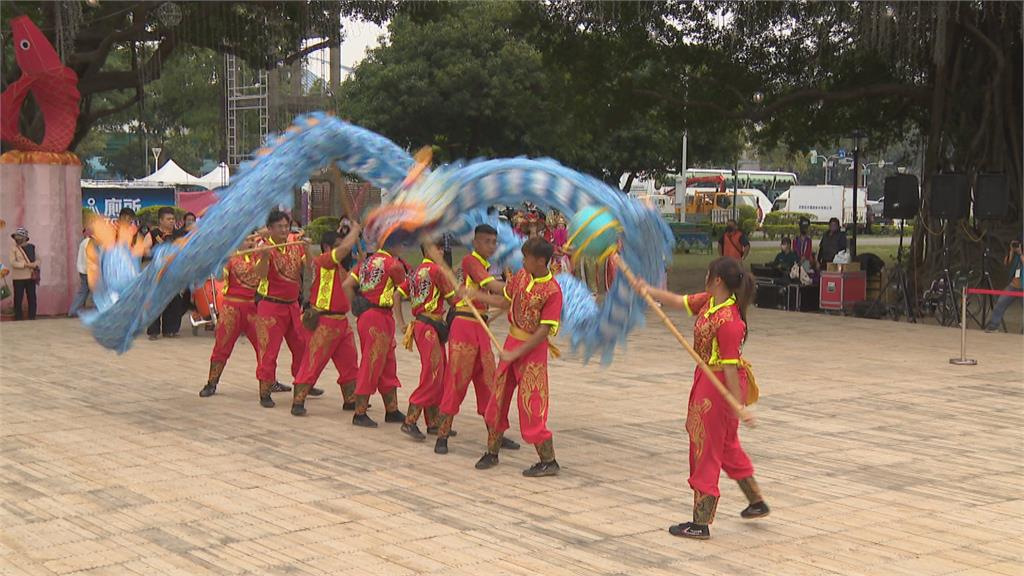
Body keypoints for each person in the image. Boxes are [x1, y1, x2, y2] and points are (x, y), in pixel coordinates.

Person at [630, 257, 769, 540]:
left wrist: (736, 404)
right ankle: (756, 501)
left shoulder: (729, 320)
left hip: (719, 385)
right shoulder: (709, 301)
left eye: (709, 273)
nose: (706, 275)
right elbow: (679, 301)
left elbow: (730, 366)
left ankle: (700, 522)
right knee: (726, 444)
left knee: (704, 444)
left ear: (717, 279)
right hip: (709, 378)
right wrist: (648, 290)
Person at [469, 237, 564, 477]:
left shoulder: (552, 291)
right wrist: (476, 296)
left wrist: (516, 353)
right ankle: (492, 451)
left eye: (527, 258)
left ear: (541, 261)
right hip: (513, 343)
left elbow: (543, 331)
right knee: (498, 397)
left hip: (532, 351)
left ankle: (548, 460)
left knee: (531, 404)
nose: (523, 261)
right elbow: (505, 298)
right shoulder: (522, 276)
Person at [433, 224, 520, 455]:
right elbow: (492, 287)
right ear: (476, 243)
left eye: (494, 242)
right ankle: (442, 436)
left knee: (489, 384)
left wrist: (515, 288)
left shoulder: (485, 265)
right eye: (487, 242)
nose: (492, 246)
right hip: (464, 326)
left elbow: (496, 298)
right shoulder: (471, 262)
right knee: (456, 381)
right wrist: (517, 287)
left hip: (480, 326)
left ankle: (496, 432)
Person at [289, 226, 363, 416]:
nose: (342, 250)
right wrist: (355, 231)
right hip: (325, 322)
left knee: (349, 362)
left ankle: (350, 399)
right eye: (337, 246)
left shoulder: (338, 268)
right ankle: (298, 401)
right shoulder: (324, 261)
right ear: (327, 247)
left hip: (341, 322)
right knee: (313, 361)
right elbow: (346, 249)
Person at [398, 242, 459, 440]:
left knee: (438, 373)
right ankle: (410, 420)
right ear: (427, 251)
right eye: (437, 248)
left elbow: (397, 294)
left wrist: (401, 323)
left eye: (442, 248)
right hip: (429, 328)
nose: (441, 252)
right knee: (433, 374)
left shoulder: (417, 272)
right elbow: (454, 301)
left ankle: (433, 422)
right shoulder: (436, 271)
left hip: (423, 326)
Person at [253, 210, 310, 407]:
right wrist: (264, 257)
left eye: (286, 226)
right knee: (269, 350)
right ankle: (265, 392)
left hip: (293, 305)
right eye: (280, 227)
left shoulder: (294, 244)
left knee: (302, 346)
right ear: (270, 229)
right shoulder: (264, 247)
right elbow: (260, 276)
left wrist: (308, 249)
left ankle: (302, 384)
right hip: (271, 306)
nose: (284, 230)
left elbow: (308, 266)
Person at [350, 236, 408, 427]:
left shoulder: (366, 263)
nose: (403, 247)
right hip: (379, 317)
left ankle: (391, 410)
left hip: (368, 316)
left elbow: (346, 285)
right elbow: (404, 292)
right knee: (372, 362)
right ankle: (359, 413)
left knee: (386, 362)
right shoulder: (394, 265)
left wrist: (357, 305)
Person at [200, 235, 263, 398]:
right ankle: (211, 383)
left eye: (252, 240)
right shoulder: (230, 257)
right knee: (222, 347)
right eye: (246, 240)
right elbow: (220, 277)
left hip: (251, 308)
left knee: (264, 346)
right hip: (231, 308)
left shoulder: (258, 256)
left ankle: (268, 381)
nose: (250, 243)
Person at [146, 207, 187, 339]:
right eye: (168, 219)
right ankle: (153, 331)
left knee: (174, 302)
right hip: (157, 273)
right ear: (161, 220)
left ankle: (171, 330)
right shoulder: (153, 234)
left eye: (173, 219)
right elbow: (145, 249)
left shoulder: (178, 235)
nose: (171, 221)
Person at [985, 238, 1022, 333]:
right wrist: (1011, 251)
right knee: (1001, 302)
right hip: (1013, 285)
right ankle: (993, 325)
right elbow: (1006, 263)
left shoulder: (1020, 254)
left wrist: (1021, 253)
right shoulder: (1016, 255)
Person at [9, 227, 39, 320]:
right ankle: (18, 318)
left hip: (30, 276)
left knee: (32, 298)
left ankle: (32, 317)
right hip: (18, 278)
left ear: (25, 238)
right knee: (18, 299)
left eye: (19, 236)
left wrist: (35, 264)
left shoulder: (32, 247)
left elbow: (38, 258)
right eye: (16, 236)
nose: (17, 238)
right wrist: (26, 265)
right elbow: (13, 262)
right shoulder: (13, 249)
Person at [68, 228, 92, 317]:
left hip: (83, 270)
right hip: (89, 271)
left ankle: (73, 311)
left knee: (83, 291)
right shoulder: (90, 243)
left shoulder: (84, 242)